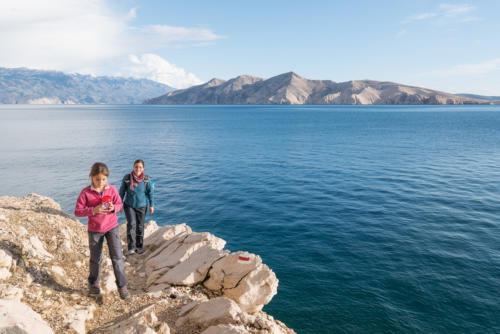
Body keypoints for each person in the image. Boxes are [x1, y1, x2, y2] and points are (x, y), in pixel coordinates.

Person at [74, 162, 130, 300]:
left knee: (117, 257)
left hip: (112, 227)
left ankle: (122, 286)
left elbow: (119, 204)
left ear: (107, 178)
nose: (100, 182)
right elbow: (77, 211)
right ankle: (94, 284)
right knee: (95, 259)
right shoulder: (85, 192)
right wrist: (93, 210)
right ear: (91, 177)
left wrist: (113, 208)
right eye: (97, 179)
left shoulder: (111, 190)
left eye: (103, 179)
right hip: (95, 230)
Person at [119, 159, 154, 255]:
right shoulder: (127, 178)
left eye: (140, 167)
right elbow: (121, 192)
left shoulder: (146, 179)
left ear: (143, 168)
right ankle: (131, 247)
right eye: (136, 167)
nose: (138, 169)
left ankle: (139, 246)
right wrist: (119, 204)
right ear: (133, 167)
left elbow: (150, 193)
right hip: (129, 205)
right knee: (132, 224)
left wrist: (151, 205)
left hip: (142, 206)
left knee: (140, 226)